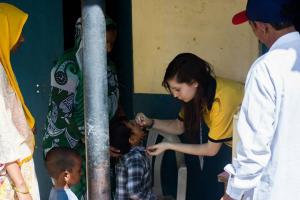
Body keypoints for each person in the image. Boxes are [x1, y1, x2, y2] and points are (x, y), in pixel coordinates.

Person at [221, 0, 300, 200]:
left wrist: (233, 193)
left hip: (278, 190)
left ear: (263, 27)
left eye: (252, 26)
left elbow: (254, 148)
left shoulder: (266, 68)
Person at [42, 16, 119, 199]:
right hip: (65, 144)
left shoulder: (108, 66)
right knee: (72, 193)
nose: (109, 49)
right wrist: (95, 145)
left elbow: (114, 101)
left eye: (112, 43)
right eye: (105, 42)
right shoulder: (68, 66)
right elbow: (63, 113)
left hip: (96, 141)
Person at [0, 3, 40, 200]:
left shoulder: (3, 67)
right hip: (10, 176)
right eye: (17, 31)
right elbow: (2, 134)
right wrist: (22, 188)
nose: (22, 38)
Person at [109, 118, 157, 200]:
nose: (135, 122)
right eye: (133, 125)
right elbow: (135, 194)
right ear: (132, 139)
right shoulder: (135, 160)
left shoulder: (124, 154)